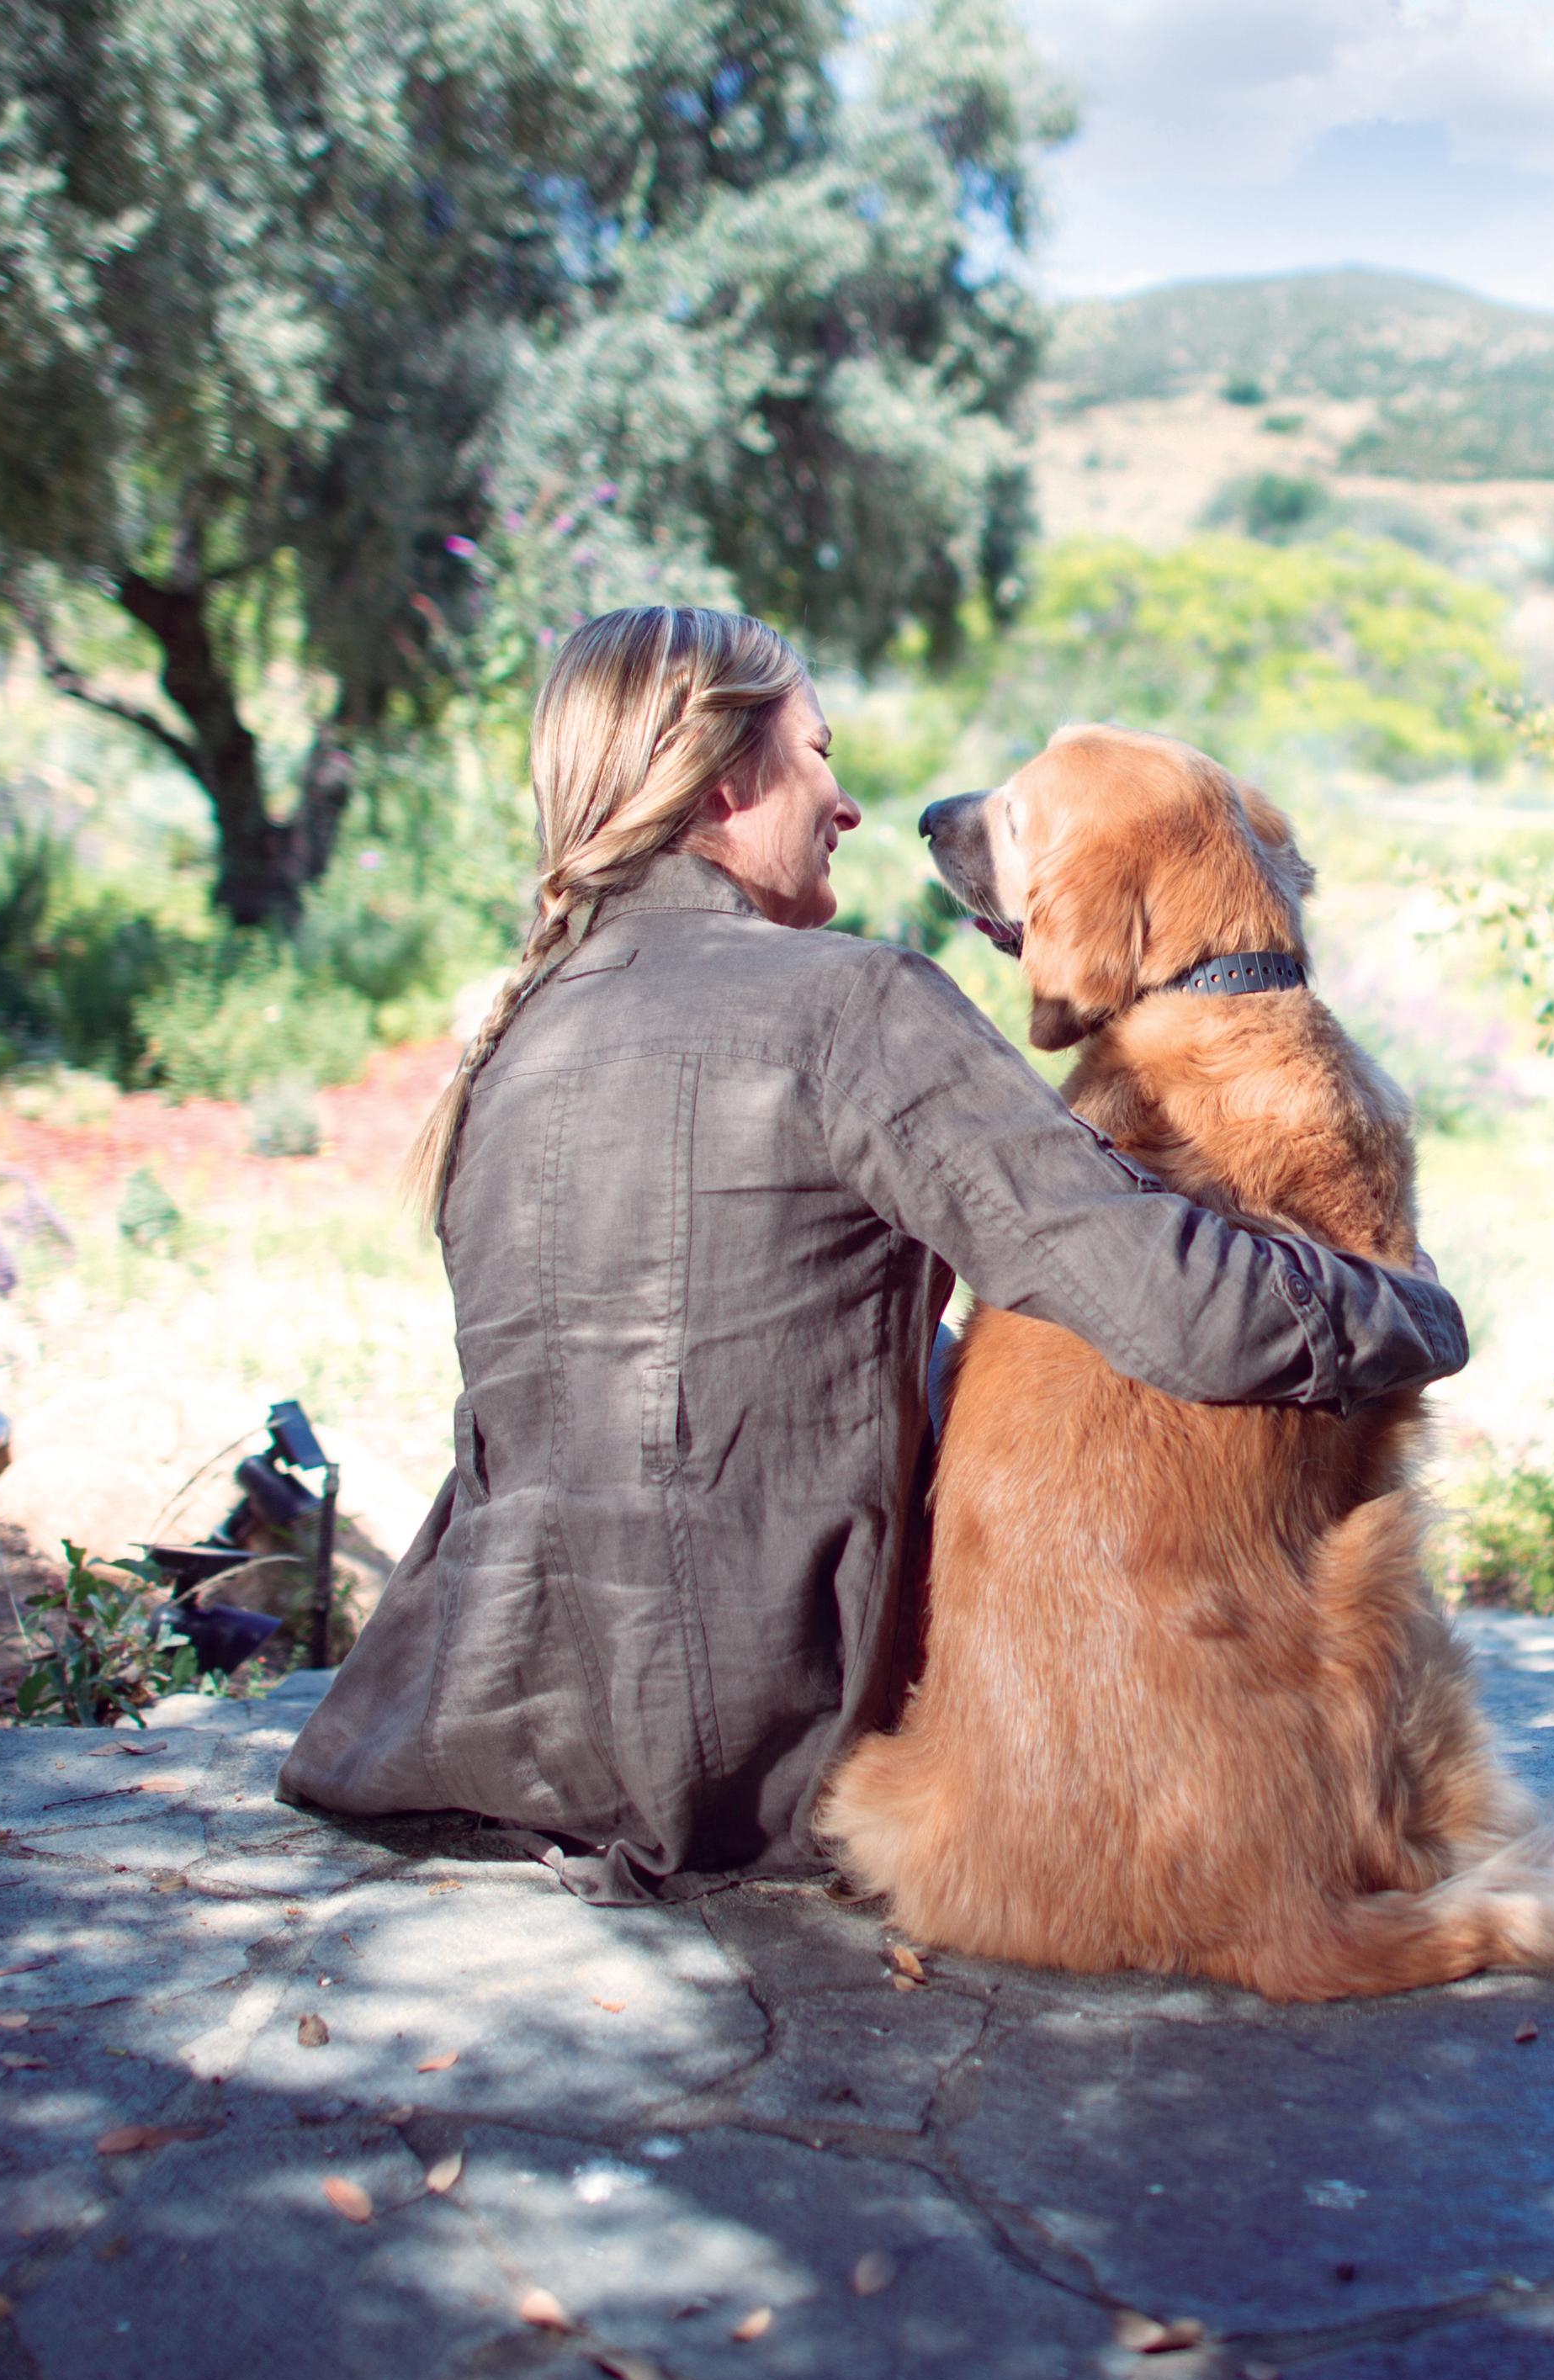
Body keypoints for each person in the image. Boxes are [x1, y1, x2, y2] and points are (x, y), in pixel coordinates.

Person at [278, 605, 1469, 1900]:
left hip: (484, 1723)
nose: (847, 806)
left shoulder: (522, 1033)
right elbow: (1193, 1315)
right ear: (723, 782)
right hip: (744, 1752)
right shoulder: (852, 1006)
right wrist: (1418, 1316)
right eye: (817, 754)